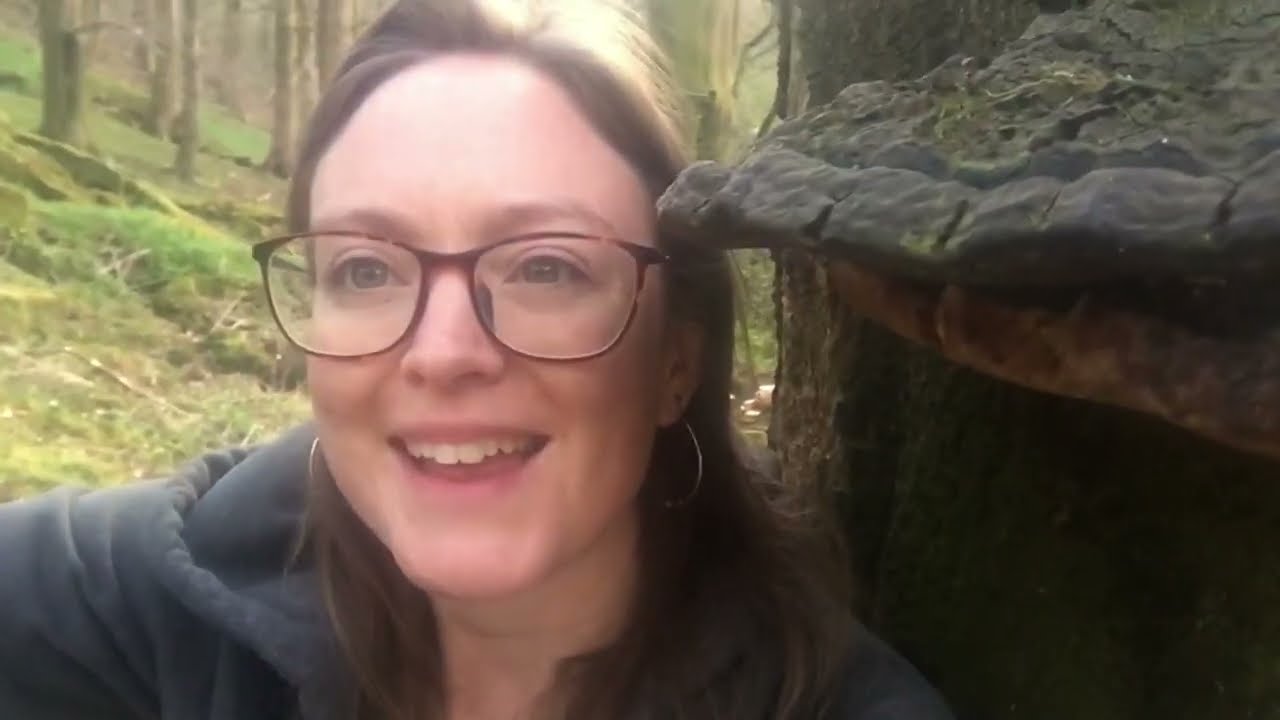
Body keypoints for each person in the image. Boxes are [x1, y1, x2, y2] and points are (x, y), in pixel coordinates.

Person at [0, 1, 955, 718]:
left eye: (545, 266)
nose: (442, 352)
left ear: (677, 359)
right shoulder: (165, 598)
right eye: (366, 267)